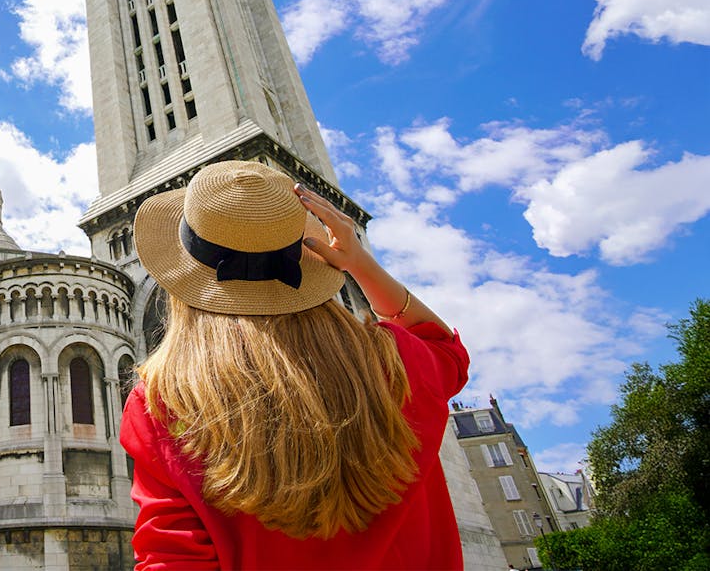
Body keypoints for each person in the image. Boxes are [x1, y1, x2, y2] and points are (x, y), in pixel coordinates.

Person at [120, 160, 469, 570]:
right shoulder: (394, 360)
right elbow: (445, 348)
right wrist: (360, 264)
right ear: (308, 257)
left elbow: (171, 557)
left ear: (183, 274)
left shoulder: (162, 401)